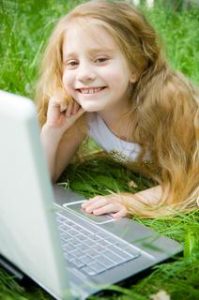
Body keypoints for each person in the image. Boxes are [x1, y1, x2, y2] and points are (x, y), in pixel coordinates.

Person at [36, 0, 199, 219]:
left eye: (101, 59)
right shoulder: (81, 111)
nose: (84, 74)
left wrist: (132, 201)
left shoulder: (169, 102)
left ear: (136, 66)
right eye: (73, 63)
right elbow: (42, 180)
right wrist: (52, 132)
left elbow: (188, 182)